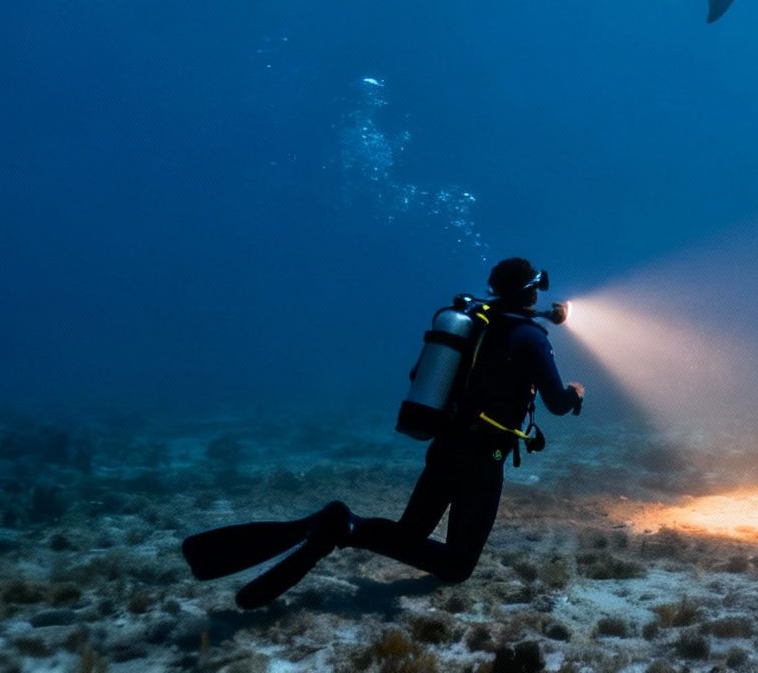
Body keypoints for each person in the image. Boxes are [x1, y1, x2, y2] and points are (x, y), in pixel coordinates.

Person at [181, 258, 585, 609]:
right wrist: (574, 393)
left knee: (410, 533)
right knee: (456, 568)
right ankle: (342, 528)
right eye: (536, 285)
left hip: (445, 447)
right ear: (529, 292)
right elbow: (555, 402)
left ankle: (346, 527)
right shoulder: (530, 337)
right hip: (483, 460)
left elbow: (420, 376)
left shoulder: (473, 325)